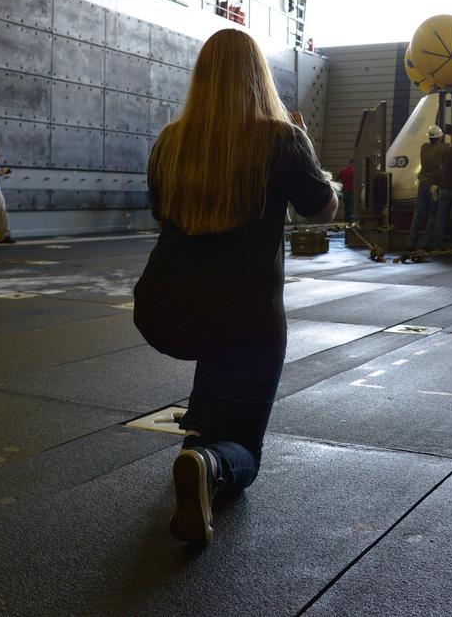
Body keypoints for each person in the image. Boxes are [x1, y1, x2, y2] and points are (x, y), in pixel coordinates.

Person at [133, 28, 335, 547]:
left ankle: (196, 437)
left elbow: (162, 213)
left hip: (165, 308)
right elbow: (321, 210)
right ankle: (211, 462)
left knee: (215, 349)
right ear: (258, 77)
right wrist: (308, 151)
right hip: (246, 315)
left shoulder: (169, 142)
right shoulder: (282, 139)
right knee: (244, 450)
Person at [405, 125, 446, 253]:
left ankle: (411, 241)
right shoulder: (442, 149)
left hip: (422, 184)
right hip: (434, 185)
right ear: (440, 137)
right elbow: (450, 149)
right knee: (432, 214)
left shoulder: (424, 147)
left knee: (419, 214)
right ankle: (426, 242)